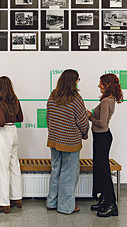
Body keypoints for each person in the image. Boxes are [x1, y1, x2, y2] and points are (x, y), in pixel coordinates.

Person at [46, 69, 89, 214]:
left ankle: (51, 202)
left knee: (56, 171)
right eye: (77, 80)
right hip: (70, 142)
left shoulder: (53, 96)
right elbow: (83, 121)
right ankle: (65, 206)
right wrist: (84, 133)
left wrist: (53, 133)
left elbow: (48, 117)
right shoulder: (76, 98)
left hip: (54, 140)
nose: (78, 82)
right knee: (69, 174)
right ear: (73, 82)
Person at [87, 73, 123, 217]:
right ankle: (104, 199)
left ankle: (112, 204)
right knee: (101, 169)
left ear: (107, 84)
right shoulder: (109, 99)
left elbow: (102, 124)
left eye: (101, 83)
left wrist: (90, 116)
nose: (98, 85)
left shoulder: (106, 101)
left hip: (102, 137)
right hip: (101, 137)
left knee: (104, 170)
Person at [0, 76, 24, 214]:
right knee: (14, 165)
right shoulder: (15, 99)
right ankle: (17, 198)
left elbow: (1, 122)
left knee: (2, 168)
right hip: (14, 132)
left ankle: (3, 203)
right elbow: (20, 118)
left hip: (4, 134)